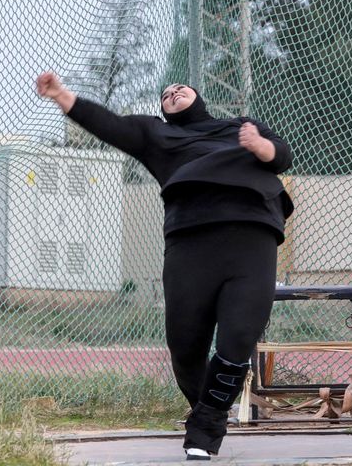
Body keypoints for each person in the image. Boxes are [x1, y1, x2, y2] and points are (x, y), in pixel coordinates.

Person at [36, 72, 293, 461]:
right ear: (163, 111)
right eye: (166, 94)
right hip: (189, 243)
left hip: (251, 237)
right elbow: (109, 125)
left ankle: (206, 428)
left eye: (180, 88)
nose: (173, 92)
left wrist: (259, 146)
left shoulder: (240, 127)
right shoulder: (155, 135)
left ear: (200, 97)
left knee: (238, 337)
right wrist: (61, 96)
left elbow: (283, 155)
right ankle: (206, 407)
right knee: (185, 346)